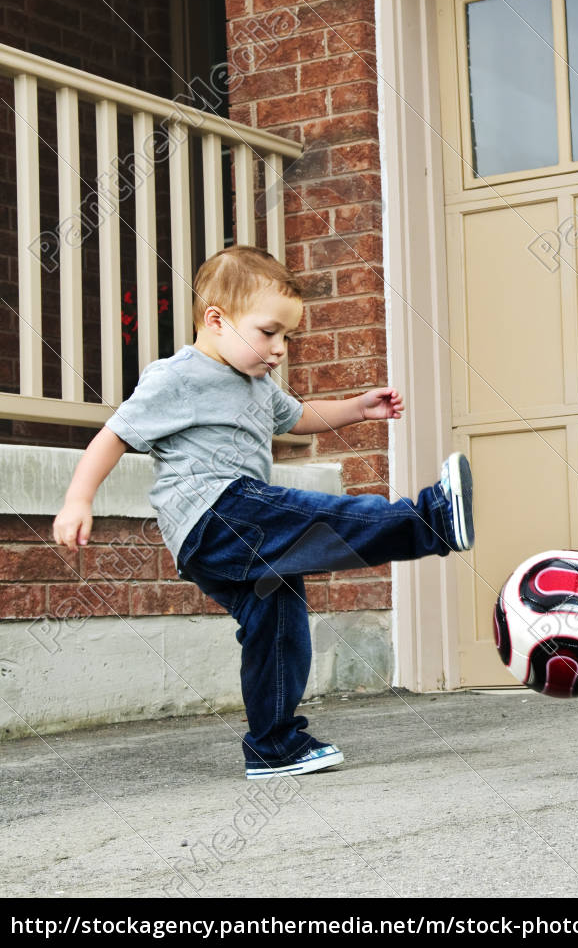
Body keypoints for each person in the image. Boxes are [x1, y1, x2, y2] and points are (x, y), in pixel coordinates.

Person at [53, 245, 476, 778]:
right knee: (317, 515)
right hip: (216, 512)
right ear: (216, 320)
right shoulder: (177, 376)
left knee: (278, 626)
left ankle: (274, 747)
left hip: (230, 535)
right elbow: (114, 434)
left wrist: (357, 408)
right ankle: (431, 519)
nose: (279, 349)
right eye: (269, 332)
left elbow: (298, 418)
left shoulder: (254, 380)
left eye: (288, 338)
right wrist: (78, 499)